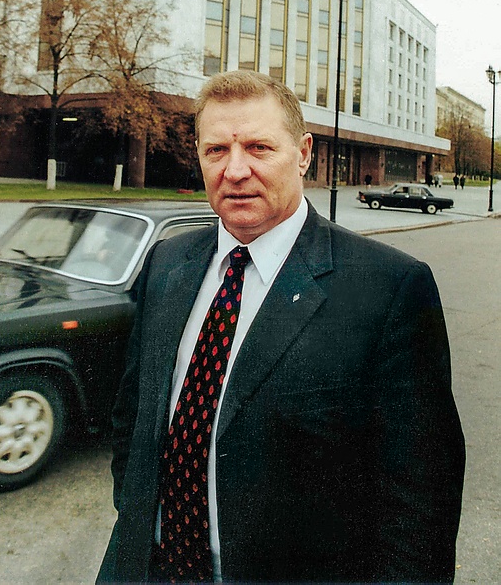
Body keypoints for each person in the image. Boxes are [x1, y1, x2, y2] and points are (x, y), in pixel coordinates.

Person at [97, 70, 465, 584]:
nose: (235, 170)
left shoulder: (390, 287)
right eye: (216, 150)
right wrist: (134, 513)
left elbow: (421, 498)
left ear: (303, 152)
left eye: (259, 147)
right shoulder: (167, 262)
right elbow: (133, 415)